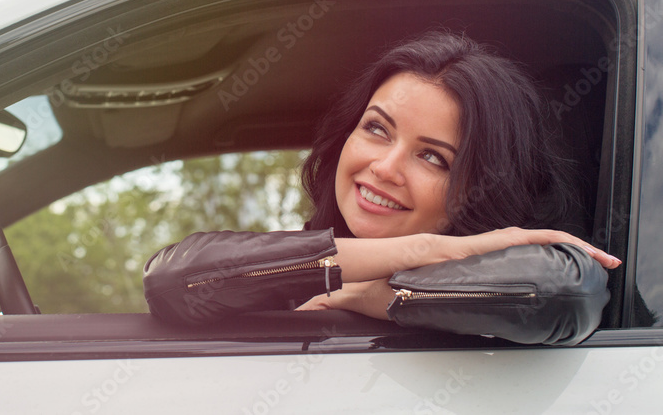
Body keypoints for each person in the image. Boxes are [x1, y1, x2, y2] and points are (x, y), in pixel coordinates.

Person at [144, 31, 619, 343]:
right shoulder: (294, 278)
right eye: (377, 129)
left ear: (484, 188)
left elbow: (567, 294)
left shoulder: (488, 299)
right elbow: (174, 281)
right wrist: (421, 248)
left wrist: (380, 296)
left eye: (433, 157)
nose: (385, 167)